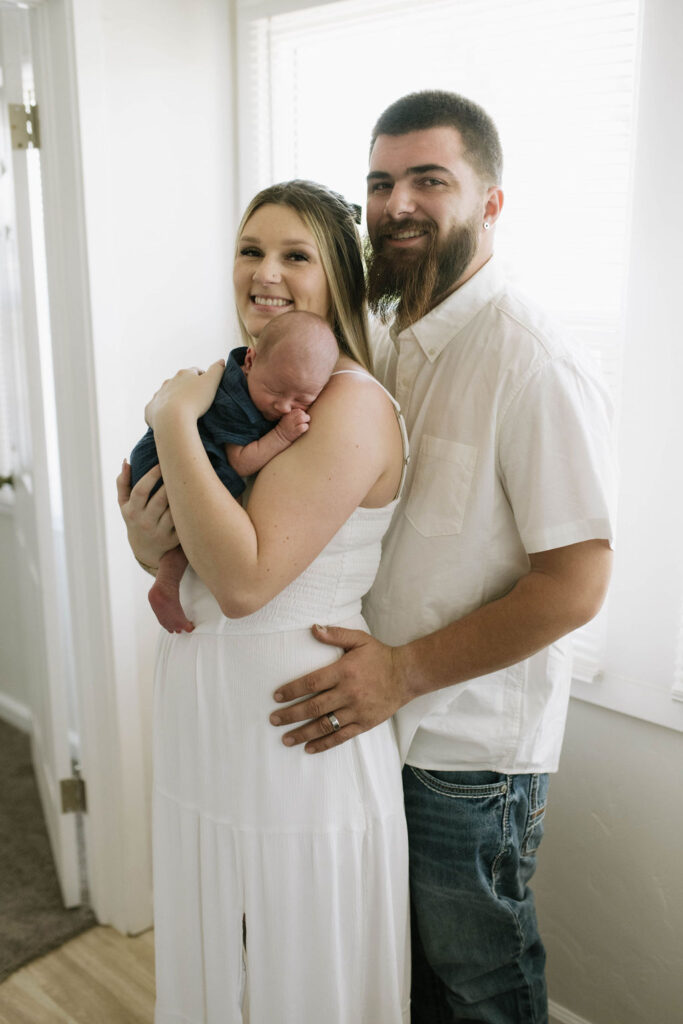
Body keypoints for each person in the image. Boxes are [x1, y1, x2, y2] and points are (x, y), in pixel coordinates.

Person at [266, 92, 615, 1023]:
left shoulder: (533, 364)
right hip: (372, 721)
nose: (397, 204)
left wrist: (403, 675)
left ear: (491, 203)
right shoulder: (379, 341)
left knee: (481, 988)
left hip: (468, 749)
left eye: (430, 180)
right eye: (380, 183)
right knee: (402, 979)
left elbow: (576, 586)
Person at [117, 180, 410, 1024]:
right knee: (226, 961)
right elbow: (197, 542)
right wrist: (147, 547)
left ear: (340, 278)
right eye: (250, 250)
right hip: (205, 716)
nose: (264, 272)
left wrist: (172, 419)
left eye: (294, 255)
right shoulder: (242, 384)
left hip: (295, 727)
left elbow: (244, 583)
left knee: (295, 966)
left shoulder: (348, 403)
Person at [129, 311, 339, 634]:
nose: (284, 407)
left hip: (173, 453)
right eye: (275, 390)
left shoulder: (280, 385)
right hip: (158, 461)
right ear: (250, 361)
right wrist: (281, 436)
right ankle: (167, 583)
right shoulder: (234, 398)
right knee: (222, 502)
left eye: (302, 399)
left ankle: (166, 581)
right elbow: (240, 461)